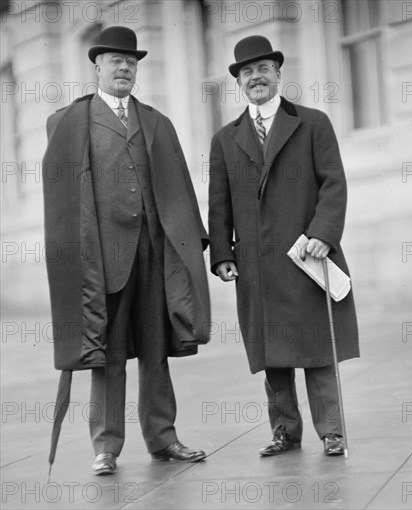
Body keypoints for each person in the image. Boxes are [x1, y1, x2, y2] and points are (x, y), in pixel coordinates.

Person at [42, 26, 211, 475]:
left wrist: (195, 245)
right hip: (104, 259)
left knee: (156, 351)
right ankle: (107, 447)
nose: (124, 68)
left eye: (131, 62)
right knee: (109, 354)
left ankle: (163, 438)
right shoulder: (69, 122)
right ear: (97, 66)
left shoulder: (156, 121)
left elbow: (180, 189)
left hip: (154, 254)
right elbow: (64, 202)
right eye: (115, 61)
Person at [208, 35, 360, 457]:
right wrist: (222, 254)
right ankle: (285, 432)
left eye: (263, 69)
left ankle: (331, 430)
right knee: (272, 355)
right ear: (238, 82)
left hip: (306, 255)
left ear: (278, 74)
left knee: (317, 348)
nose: (255, 78)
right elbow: (218, 202)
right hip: (255, 263)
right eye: (246, 72)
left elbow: (333, 182)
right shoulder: (224, 139)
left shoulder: (313, 123)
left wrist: (322, 235)